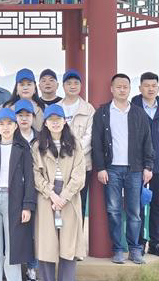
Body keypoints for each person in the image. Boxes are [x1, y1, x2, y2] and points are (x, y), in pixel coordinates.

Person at [91, 73, 154, 265]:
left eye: (125, 86)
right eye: (118, 86)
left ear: (129, 89)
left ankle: (135, 249)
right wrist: (100, 168)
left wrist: (148, 166)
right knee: (113, 210)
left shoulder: (138, 113)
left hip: (135, 169)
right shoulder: (102, 113)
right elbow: (96, 143)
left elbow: (147, 141)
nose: (122, 90)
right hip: (111, 169)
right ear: (112, 89)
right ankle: (118, 249)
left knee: (134, 211)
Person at [0, 108, 36, 281]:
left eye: (9, 123)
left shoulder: (23, 148)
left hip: (15, 200)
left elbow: (30, 179)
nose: (5, 127)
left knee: (13, 248)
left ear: (15, 126)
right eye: (1, 124)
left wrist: (27, 205)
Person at [32, 104, 86, 281]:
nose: (55, 123)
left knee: (68, 245)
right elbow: (36, 175)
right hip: (46, 196)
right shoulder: (38, 146)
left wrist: (64, 196)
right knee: (46, 244)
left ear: (64, 121)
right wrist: (52, 194)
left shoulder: (75, 144)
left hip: (69, 196)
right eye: (51, 120)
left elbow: (79, 174)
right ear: (45, 123)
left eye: (58, 119)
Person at [132, 72, 159, 258]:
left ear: (158, 87)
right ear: (140, 88)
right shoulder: (133, 107)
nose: (150, 89)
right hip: (138, 164)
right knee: (138, 206)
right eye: (147, 85)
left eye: (154, 86)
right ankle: (139, 243)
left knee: (157, 205)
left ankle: (155, 244)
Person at [57, 69, 95, 220]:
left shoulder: (88, 109)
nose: (73, 86)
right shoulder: (56, 108)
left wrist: (73, 153)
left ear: (81, 85)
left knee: (80, 203)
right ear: (63, 86)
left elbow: (90, 136)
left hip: (82, 164)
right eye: (69, 83)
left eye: (76, 83)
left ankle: (78, 234)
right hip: (59, 164)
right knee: (60, 203)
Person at [13, 99, 39, 281]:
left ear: (33, 117)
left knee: (35, 231)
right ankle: (13, 268)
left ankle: (33, 268)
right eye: (20, 115)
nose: (24, 119)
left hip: (39, 188)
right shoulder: (11, 137)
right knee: (17, 230)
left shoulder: (41, 137)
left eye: (27, 115)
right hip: (17, 191)